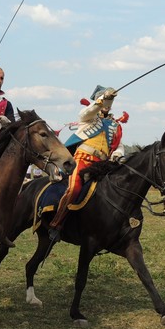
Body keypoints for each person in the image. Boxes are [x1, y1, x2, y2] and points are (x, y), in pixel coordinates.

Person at [48, 86, 127, 242]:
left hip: (102, 165)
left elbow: (118, 145)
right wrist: (101, 99)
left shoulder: (115, 125)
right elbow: (86, 112)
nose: (107, 104)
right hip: (83, 159)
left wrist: (117, 154)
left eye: (110, 101)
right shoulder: (89, 117)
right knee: (74, 188)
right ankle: (56, 224)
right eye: (106, 100)